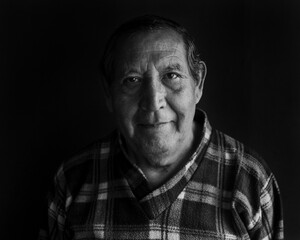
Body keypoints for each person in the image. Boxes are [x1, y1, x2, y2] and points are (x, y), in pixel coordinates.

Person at [38, 15, 284, 240]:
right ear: (108, 92)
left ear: (198, 83)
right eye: (132, 80)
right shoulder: (72, 181)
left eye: (171, 76)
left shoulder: (249, 180)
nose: (153, 101)